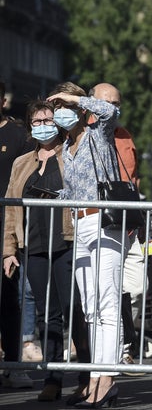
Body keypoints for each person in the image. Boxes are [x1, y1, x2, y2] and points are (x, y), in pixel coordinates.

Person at [2, 99, 91, 401]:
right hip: (34, 246)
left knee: (73, 310)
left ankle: (86, 376)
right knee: (46, 314)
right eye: (37, 122)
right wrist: (9, 249)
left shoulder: (71, 154)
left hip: (67, 242)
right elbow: (12, 210)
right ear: (30, 127)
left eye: (48, 120)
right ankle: (52, 378)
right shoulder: (21, 163)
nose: (43, 126)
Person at [47, 82, 128, 408]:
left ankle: (106, 379)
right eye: (57, 109)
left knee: (107, 306)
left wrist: (75, 97)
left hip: (104, 222)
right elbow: (75, 190)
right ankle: (96, 377)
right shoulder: (67, 147)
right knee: (92, 308)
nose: (61, 114)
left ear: (80, 108)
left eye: (65, 107)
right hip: (79, 223)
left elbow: (111, 111)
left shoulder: (99, 134)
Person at [88, 83, 144, 370]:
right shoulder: (84, 135)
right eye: (106, 102)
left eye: (117, 103)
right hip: (96, 222)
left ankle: (123, 342)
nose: (113, 109)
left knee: (135, 288)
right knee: (101, 296)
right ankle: (113, 353)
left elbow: (134, 177)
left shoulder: (124, 135)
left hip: (127, 222)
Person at [0, 80, 35, 389]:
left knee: (9, 300)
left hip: (6, 230)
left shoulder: (17, 136)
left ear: (3, 102)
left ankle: (13, 363)